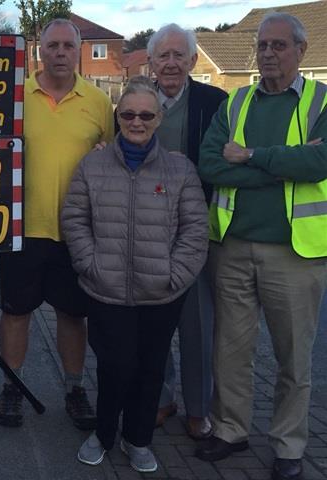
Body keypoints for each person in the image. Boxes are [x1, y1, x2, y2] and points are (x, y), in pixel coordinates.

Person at [196, 12, 327, 480]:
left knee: (294, 356)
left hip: (295, 254)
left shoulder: (320, 101)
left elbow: (320, 161)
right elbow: (212, 164)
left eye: (278, 46)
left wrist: (251, 156)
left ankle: (290, 446)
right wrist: (284, 167)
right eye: (263, 46)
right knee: (230, 349)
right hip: (231, 246)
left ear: (300, 51)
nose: (268, 53)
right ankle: (231, 430)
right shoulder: (236, 103)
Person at [63, 76, 208, 473]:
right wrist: (90, 264)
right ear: (118, 116)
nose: (137, 121)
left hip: (160, 294)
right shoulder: (92, 164)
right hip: (106, 291)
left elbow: (196, 229)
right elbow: (75, 218)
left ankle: (138, 439)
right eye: (128, 114)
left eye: (146, 114)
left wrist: (175, 275)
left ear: (159, 118)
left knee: (150, 368)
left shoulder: (180, 169)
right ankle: (104, 434)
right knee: (114, 367)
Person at [0, 18, 114, 430]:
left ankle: (74, 388)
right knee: (15, 313)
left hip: (77, 231)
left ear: (78, 50)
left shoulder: (98, 102)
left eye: (67, 45)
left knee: (71, 314)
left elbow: (113, 159)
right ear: (38, 51)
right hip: (21, 228)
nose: (60, 52)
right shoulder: (12, 95)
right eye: (53, 45)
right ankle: (12, 387)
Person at [145, 24, 227, 439]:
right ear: (152, 62)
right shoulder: (136, 102)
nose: (172, 63)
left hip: (196, 232)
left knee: (197, 325)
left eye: (180, 55)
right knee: (155, 320)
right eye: (164, 55)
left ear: (194, 61)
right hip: (147, 232)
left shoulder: (216, 102)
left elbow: (226, 162)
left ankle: (198, 408)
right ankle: (161, 399)